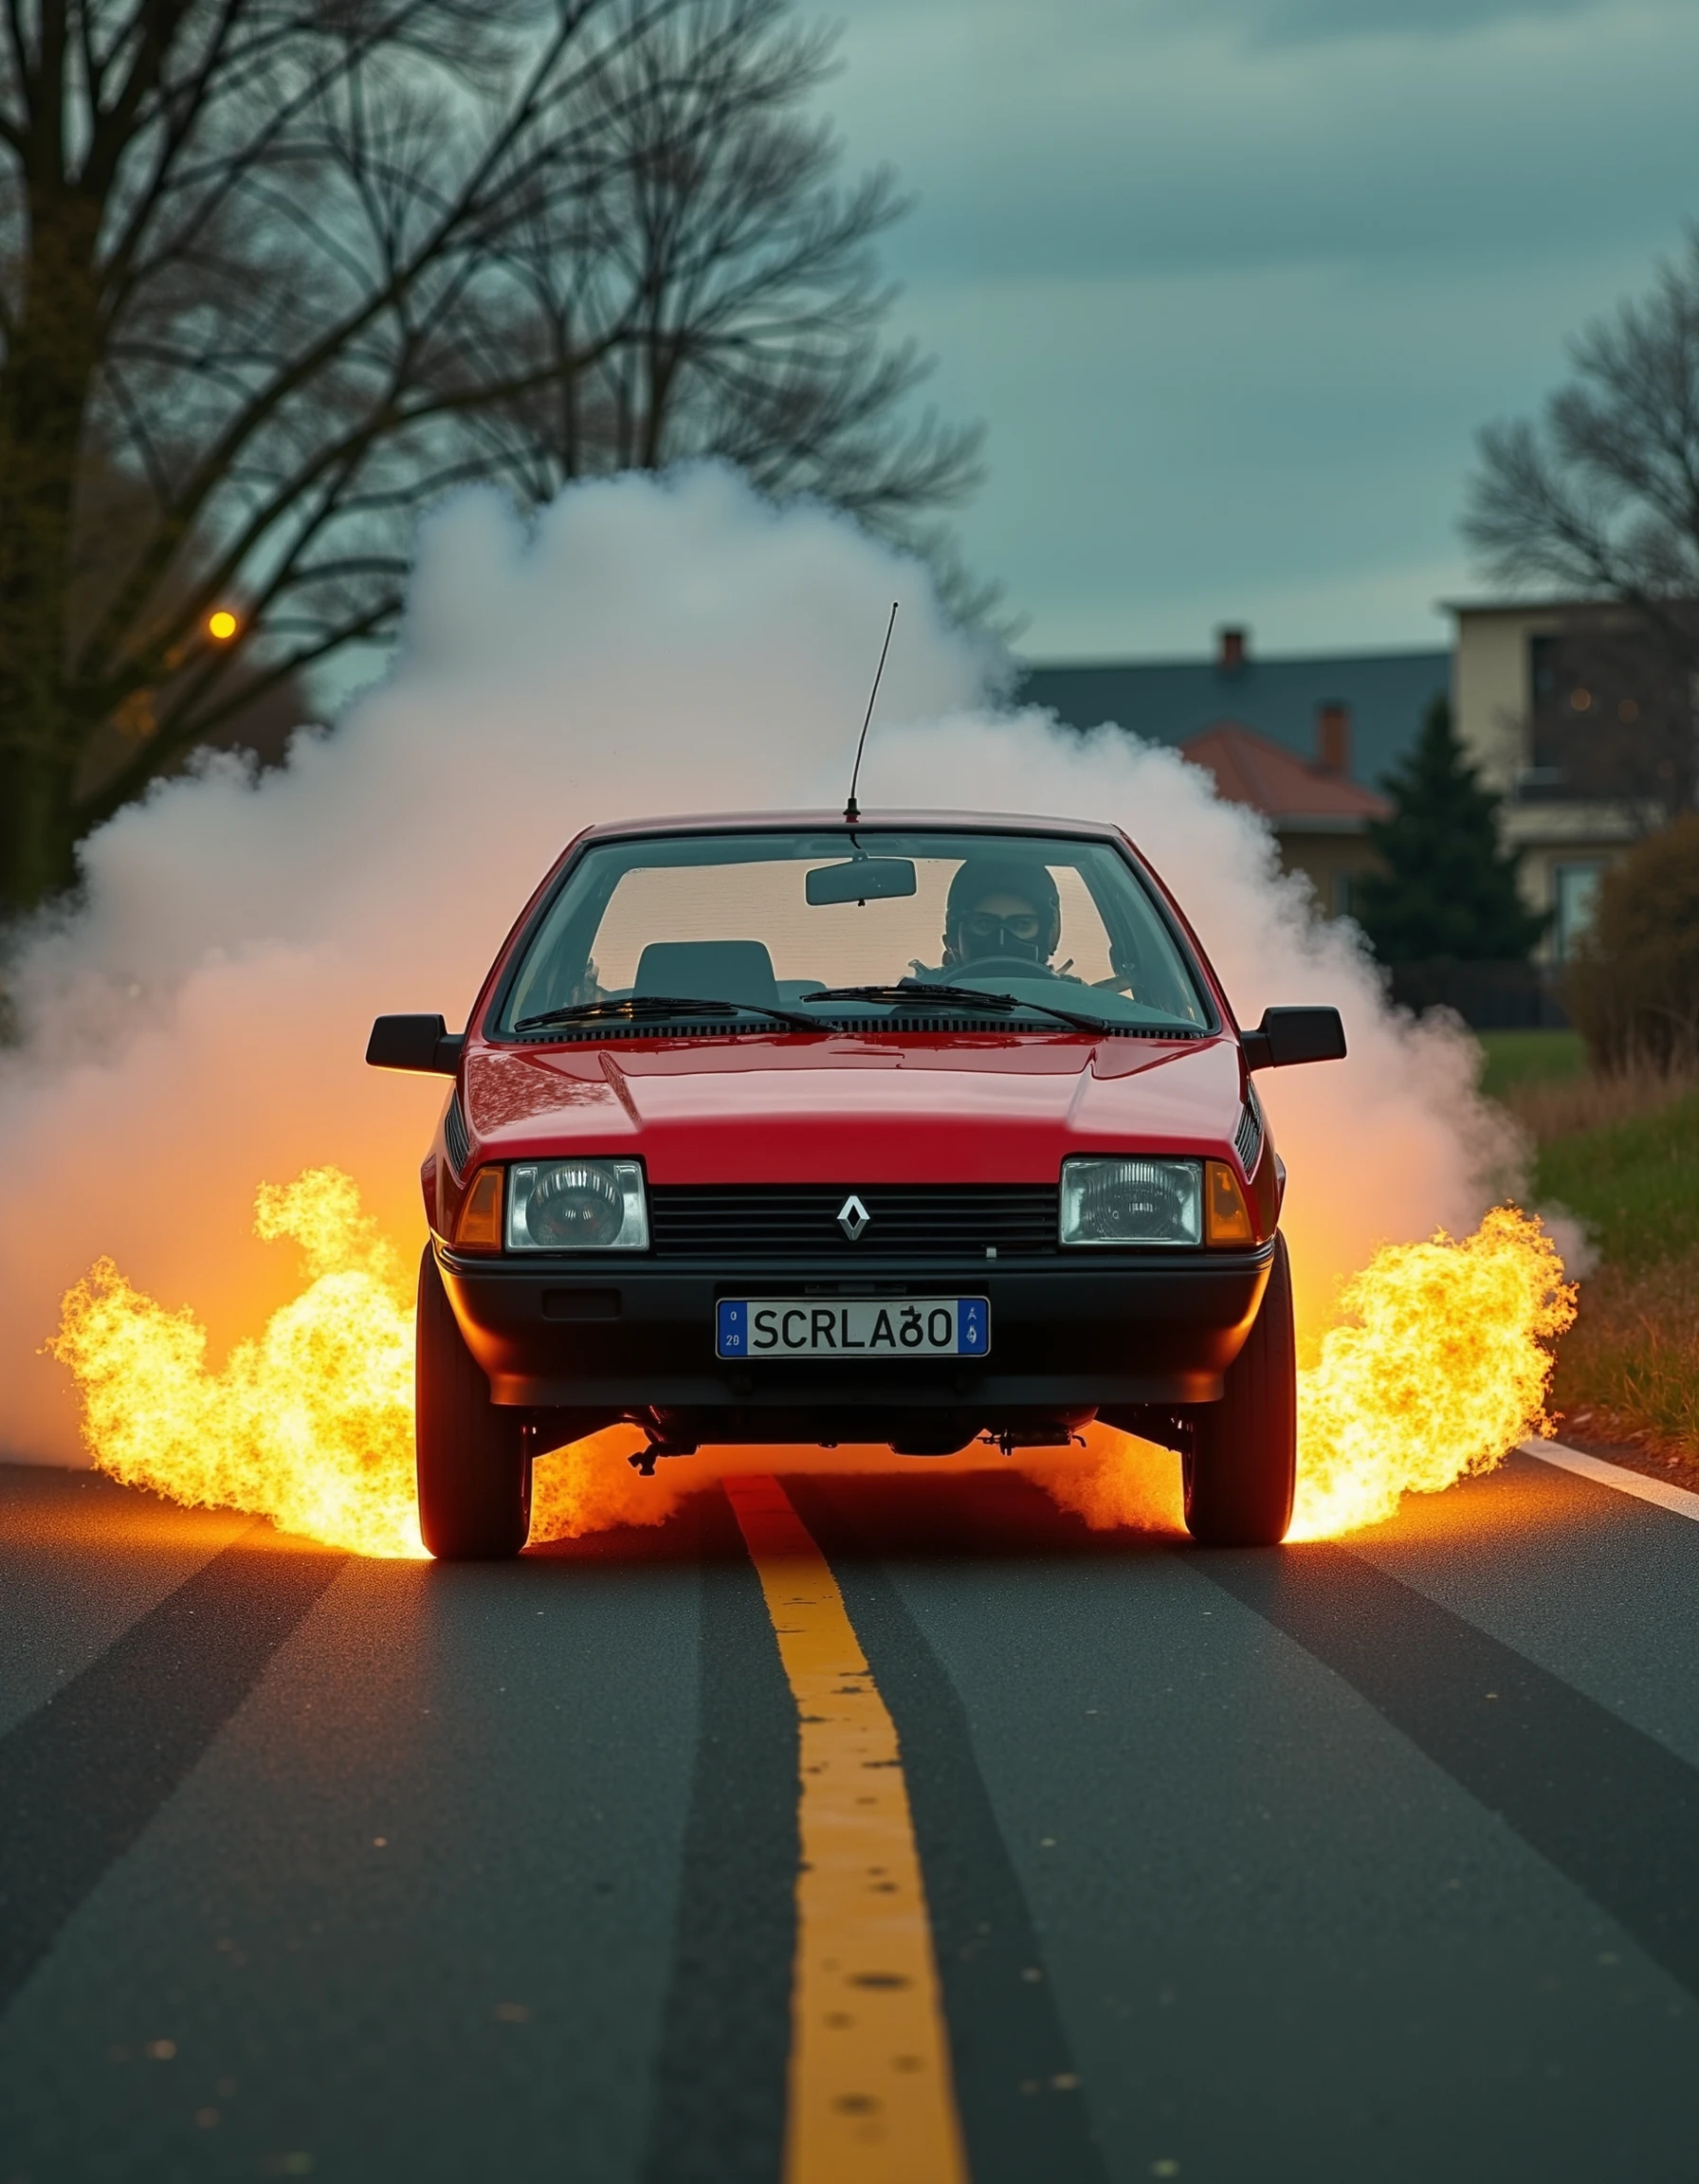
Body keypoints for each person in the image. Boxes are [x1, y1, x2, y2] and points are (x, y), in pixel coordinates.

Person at [938, 857, 1063, 975]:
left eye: (1022, 925)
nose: (1002, 941)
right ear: (955, 936)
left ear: (1048, 935)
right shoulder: (922, 993)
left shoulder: (1072, 997)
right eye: (984, 923)